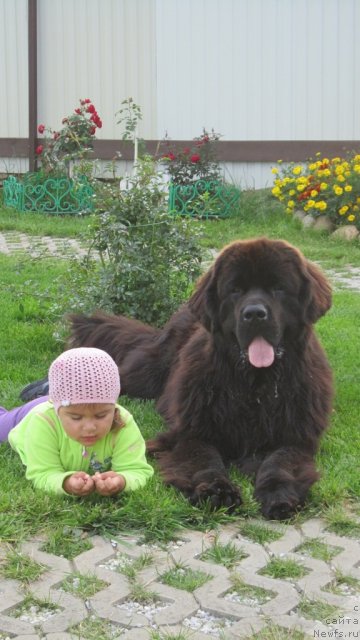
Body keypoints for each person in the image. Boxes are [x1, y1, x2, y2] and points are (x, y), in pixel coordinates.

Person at [0, 347, 153, 496]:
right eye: (76, 418)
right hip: (30, 414)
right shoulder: (43, 422)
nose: (89, 428)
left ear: (113, 407)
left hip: (64, 402)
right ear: (57, 411)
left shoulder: (122, 422)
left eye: (100, 416)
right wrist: (65, 483)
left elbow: (137, 470)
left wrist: (123, 481)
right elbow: (43, 473)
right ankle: (46, 391)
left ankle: (48, 390)